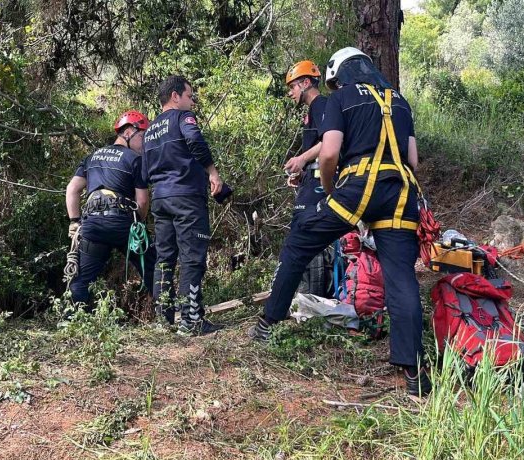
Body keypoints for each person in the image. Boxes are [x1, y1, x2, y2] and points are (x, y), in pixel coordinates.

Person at [248, 48, 431, 396]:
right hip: (401, 193)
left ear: (339, 75)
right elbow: (412, 160)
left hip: (357, 186)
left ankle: (268, 323)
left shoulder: (341, 98)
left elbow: (330, 152)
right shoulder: (400, 101)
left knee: (300, 240)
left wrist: (332, 190)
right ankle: (414, 375)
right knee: (401, 277)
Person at [143, 76, 225, 336]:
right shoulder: (182, 118)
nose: (192, 102)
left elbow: (144, 171)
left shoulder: (149, 132)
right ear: (175, 96)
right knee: (192, 257)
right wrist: (213, 172)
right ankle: (191, 321)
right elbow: (195, 141)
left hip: (160, 199)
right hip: (186, 197)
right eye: (189, 96)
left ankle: (162, 320)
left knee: (164, 259)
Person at [65, 110, 156, 305]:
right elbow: (142, 201)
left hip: (93, 225)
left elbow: (72, 189)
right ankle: (168, 312)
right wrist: (138, 223)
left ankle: (76, 317)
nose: (145, 143)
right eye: (143, 137)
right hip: (123, 224)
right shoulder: (135, 160)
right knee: (153, 269)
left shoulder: (91, 157)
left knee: (81, 282)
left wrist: (74, 221)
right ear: (128, 132)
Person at [283, 60, 335, 297]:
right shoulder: (312, 111)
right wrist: (301, 173)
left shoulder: (321, 105)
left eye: (292, 86)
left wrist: (302, 159)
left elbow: (329, 142)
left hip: (319, 183)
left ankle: (308, 295)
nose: (290, 93)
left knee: (303, 234)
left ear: (305, 83)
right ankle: (307, 294)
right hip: (311, 180)